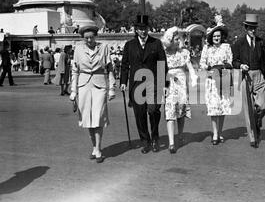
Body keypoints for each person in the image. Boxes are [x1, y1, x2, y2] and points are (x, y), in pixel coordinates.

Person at [120, 15, 169, 154]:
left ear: (148, 29)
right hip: (136, 85)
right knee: (139, 114)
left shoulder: (156, 43)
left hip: (153, 84)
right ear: (136, 30)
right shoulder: (129, 45)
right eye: (140, 28)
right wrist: (123, 82)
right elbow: (124, 65)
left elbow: (162, 64)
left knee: (153, 111)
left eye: (145, 28)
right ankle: (145, 140)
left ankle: (155, 138)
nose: (142, 31)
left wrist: (164, 84)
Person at [69, 25, 116, 163]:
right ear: (83, 38)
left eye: (91, 37)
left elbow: (110, 69)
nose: (89, 40)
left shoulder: (104, 48)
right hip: (83, 85)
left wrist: (112, 88)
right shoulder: (78, 49)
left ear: (96, 36)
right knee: (87, 119)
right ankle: (94, 147)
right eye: (86, 38)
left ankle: (98, 148)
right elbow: (75, 71)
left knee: (98, 117)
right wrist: (73, 91)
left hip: (99, 85)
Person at [231, 14, 265, 148]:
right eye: (250, 28)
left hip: (259, 75)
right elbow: (234, 61)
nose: (253, 30)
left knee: (262, 105)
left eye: (254, 28)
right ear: (245, 28)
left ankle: (258, 120)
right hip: (245, 77)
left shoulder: (261, 42)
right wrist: (240, 66)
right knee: (248, 108)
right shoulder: (239, 43)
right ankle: (253, 137)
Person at [161, 26, 198, 154]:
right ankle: (171, 142)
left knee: (181, 109)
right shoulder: (163, 53)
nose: (178, 41)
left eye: (178, 39)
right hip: (168, 82)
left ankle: (180, 134)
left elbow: (189, 66)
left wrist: (193, 76)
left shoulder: (183, 53)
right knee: (170, 110)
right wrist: (162, 85)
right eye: (175, 39)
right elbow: (160, 69)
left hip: (181, 81)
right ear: (169, 40)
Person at [199, 21, 233, 145]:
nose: (216, 38)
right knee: (213, 108)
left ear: (221, 36)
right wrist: (207, 68)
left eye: (218, 36)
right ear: (210, 37)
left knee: (222, 107)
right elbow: (202, 63)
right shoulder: (206, 48)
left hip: (223, 79)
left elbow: (230, 61)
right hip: (211, 81)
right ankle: (214, 133)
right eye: (214, 36)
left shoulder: (226, 47)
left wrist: (225, 65)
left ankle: (220, 132)